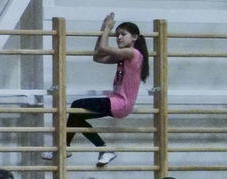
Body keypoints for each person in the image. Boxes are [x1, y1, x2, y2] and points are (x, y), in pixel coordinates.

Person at [43, 14, 148, 168]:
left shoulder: (132, 53)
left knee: (77, 105)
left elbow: (104, 48)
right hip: (117, 102)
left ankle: (68, 147)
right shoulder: (123, 56)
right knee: (77, 117)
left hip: (120, 103)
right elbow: (97, 57)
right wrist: (102, 29)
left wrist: (107, 28)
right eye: (116, 35)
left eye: (123, 34)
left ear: (134, 37)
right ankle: (99, 149)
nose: (119, 37)